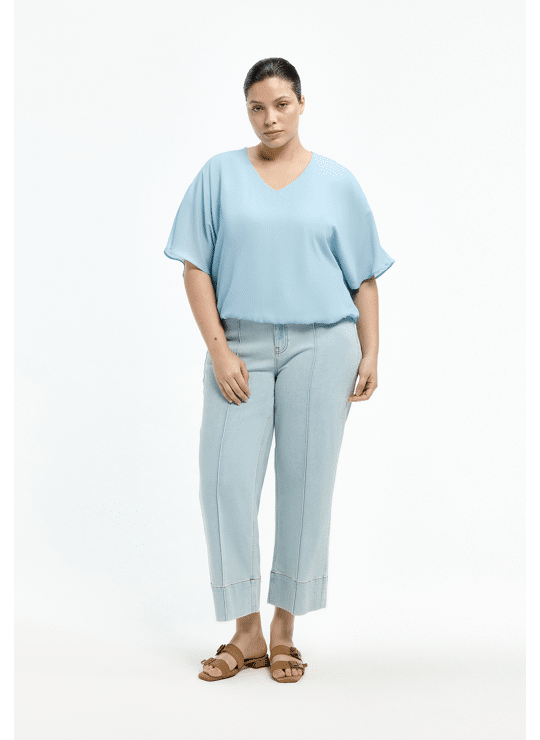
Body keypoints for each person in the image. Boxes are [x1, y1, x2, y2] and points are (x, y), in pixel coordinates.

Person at [164, 58, 395, 683]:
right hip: (239, 343)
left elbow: (364, 278)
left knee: (306, 483)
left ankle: (284, 629)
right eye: (257, 108)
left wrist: (371, 352)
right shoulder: (218, 175)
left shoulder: (337, 183)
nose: (270, 118)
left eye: (281, 104)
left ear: (301, 104)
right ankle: (245, 632)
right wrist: (219, 351)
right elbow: (194, 267)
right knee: (225, 483)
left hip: (323, 346)